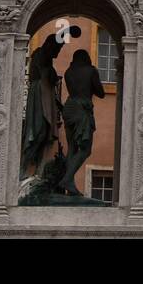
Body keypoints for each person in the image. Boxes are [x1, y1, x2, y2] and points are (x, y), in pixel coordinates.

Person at [19, 25, 81, 176]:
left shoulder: (46, 61)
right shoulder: (41, 56)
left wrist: (60, 106)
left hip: (45, 97)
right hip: (40, 98)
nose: (58, 52)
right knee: (38, 132)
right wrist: (69, 31)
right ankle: (22, 170)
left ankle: (37, 171)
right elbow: (47, 81)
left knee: (45, 135)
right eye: (57, 49)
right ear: (51, 46)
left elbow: (51, 90)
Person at [57, 48, 105, 196]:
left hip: (69, 108)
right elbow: (101, 93)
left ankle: (70, 185)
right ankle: (66, 179)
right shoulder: (91, 71)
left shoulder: (68, 72)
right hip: (81, 110)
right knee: (85, 149)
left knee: (72, 148)